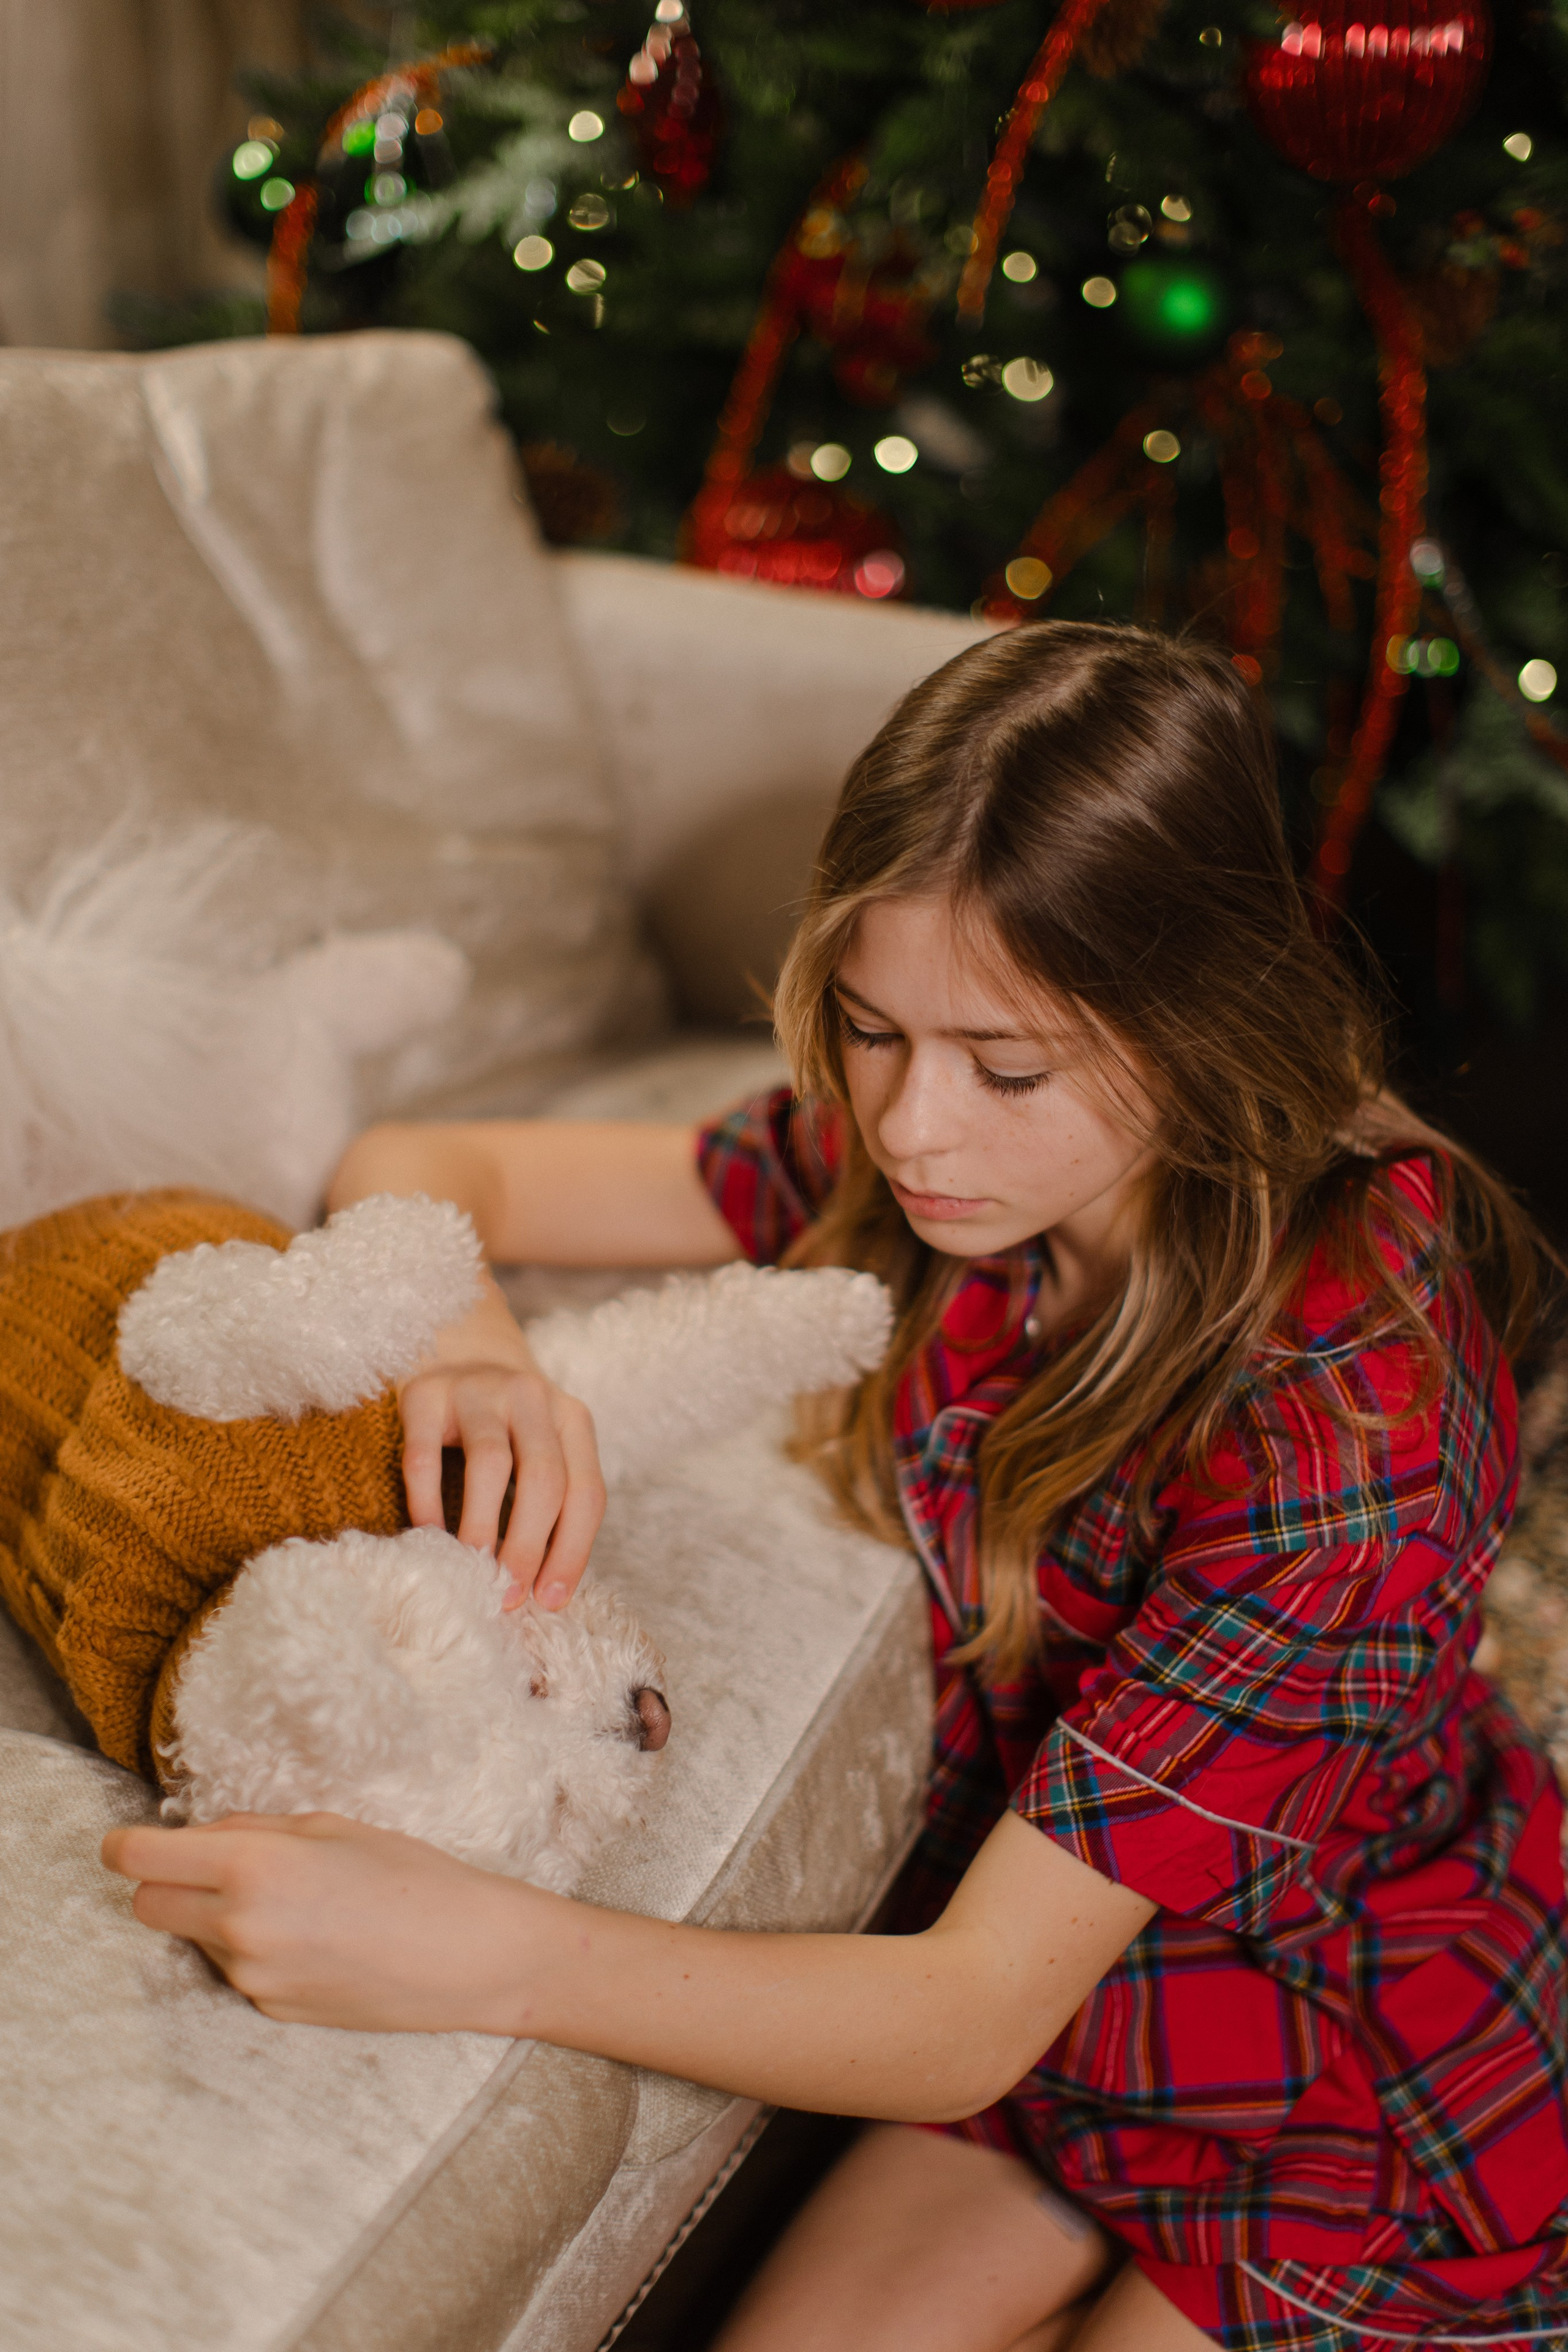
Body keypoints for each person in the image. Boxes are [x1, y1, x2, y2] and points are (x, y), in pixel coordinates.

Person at [104, 624, 1568, 2352]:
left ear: (1195, 1021)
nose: (914, 1125)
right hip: (1081, 2046)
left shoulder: (1354, 1429)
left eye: (1004, 1066)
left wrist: (479, 1946)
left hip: (1349, 2068)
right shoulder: (943, 1158)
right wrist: (478, 1346)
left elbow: (963, 2017)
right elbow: (431, 1161)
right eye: (872, 1031)